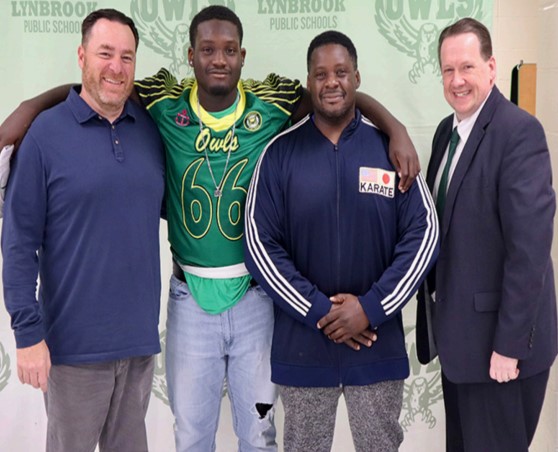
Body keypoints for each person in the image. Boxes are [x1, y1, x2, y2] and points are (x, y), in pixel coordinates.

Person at [0, 6, 420, 451]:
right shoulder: (164, 103)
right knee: (192, 435)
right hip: (188, 299)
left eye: (229, 50)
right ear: (190, 56)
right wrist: (29, 107)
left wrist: (393, 127)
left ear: (243, 56)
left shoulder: (271, 104)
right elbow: (101, 87)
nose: (219, 59)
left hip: (256, 299)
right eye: (207, 49)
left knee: (259, 433)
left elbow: (333, 93)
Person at [244, 30, 439, 452]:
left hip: (376, 346)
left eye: (341, 72)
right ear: (309, 82)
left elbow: (423, 235)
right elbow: (260, 243)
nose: (331, 82)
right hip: (304, 350)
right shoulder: (279, 154)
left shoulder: (390, 151)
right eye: (321, 74)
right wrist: (320, 312)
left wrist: (370, 308)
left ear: (357, 77)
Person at [1, 8, 165, 452]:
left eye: (127, 57)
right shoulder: (44, 136)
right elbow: (18, 244)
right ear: (81, 56)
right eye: (105, 53)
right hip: (71, 351)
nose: (116, 67)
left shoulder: (149, 130)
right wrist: (27, 333)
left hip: (138, 345)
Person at [415, 17, 557, 452]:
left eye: (467, 67)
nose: (457, 80)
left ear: (491, 68)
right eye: (447, 70)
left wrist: (509, 349)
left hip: (501, 354)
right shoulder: (446, 131)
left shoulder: (519, 133)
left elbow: (529, 253)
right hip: (460, 347)